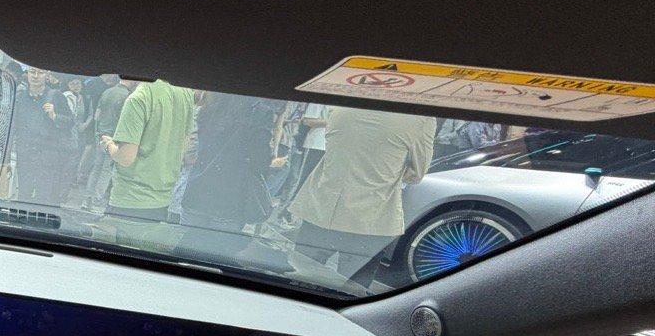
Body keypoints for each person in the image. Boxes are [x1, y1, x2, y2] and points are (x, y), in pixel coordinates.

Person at [288, 105, 436, 286]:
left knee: (299, 282)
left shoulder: (342, 105)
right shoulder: (420, 118)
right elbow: (417, 173)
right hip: (371, 219)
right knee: (353, 291)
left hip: (321, 209)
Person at [179, 93, 284, 258]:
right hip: (229, 199)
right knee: (217, 258)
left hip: (196, 191)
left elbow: (196, 146)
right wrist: (272, 162)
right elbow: (259, 162)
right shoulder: (260, 111)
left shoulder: (211, 104)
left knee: (185, 254)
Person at [100, 78, 195, 221]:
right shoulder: (185, 93)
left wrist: (108, 145)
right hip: (163, 200)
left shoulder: (139, 97)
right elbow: (185, 146)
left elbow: (125, 157)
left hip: (130, 199)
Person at [8, 67, 75, 206]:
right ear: (27, 74)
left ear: (47, 75)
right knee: (24, 194)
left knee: (45, 196)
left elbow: (70, 122)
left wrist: (55, 116)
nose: (36, 76)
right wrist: (7, 157)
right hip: (25, 154)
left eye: (40, 72)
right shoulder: (20, 97)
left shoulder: (56, 96)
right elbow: (12, 126)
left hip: (48, 156)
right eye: (32, 72)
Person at [76, 74, 131, 211]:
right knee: (106, 170)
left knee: (97, 167)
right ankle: (96, 200)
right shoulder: (127, 96)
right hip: (113, 138)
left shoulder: (107, 91)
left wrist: (98, 133)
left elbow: (97, 115)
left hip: (100, 134)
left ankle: (86, 199)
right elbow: (124, 120)